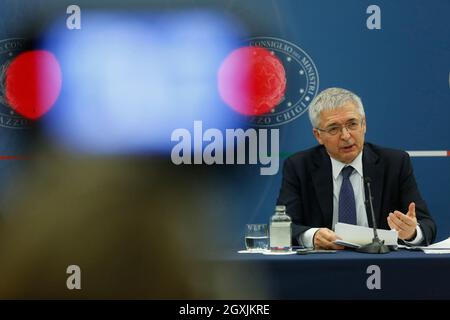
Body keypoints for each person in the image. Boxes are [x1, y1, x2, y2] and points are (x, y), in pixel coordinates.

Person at [277, 87, 436, 250]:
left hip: (383, 265)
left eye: (352, 124)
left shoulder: (395, 163)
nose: (346, 136)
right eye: (333, 129)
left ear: (364, 124)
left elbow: (427, 225)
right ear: (318, 135)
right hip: (324, 266)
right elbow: (283, 227)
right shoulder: (299, 166)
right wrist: (312, 236)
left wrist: (412, 233)